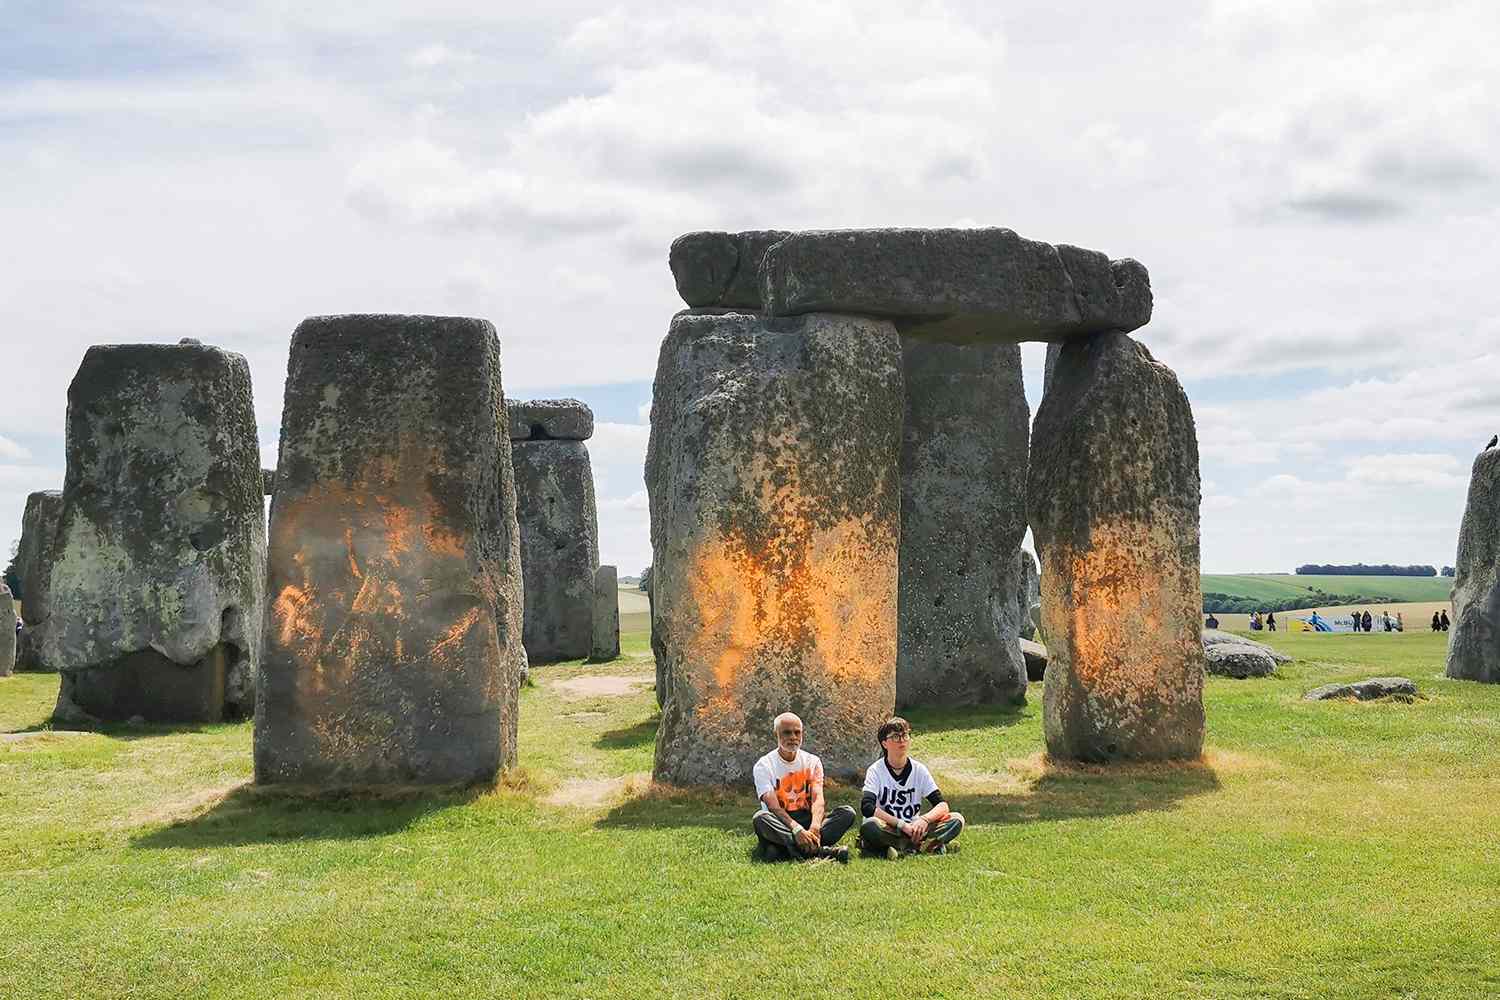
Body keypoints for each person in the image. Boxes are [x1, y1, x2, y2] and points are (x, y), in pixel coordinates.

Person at [751, 711, 854, 863]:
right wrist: (797, 830)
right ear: (776, 734)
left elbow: (818, 799)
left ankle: (784, 848)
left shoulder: (813, 761)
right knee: (760, 818)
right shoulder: (764, 765)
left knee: (847, 813)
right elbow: (773, 807)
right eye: (787, 733)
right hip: (781, 821)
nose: (793, 737)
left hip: (807, 818)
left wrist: (815, 827)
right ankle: (820, 851)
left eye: (797, 732)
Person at [859, 717, 964, 859]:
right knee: (870, 825)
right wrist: (902, 825)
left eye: (905, 735)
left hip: (915, 828)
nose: (902, 740)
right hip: (890, 827)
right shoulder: (876, 770)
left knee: (956, 819)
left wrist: (924, 820)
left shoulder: (919, 769)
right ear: (884, 743)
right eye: (895, 736)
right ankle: (925, 845)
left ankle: (901, 846)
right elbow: (867, 807)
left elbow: (942, 805)